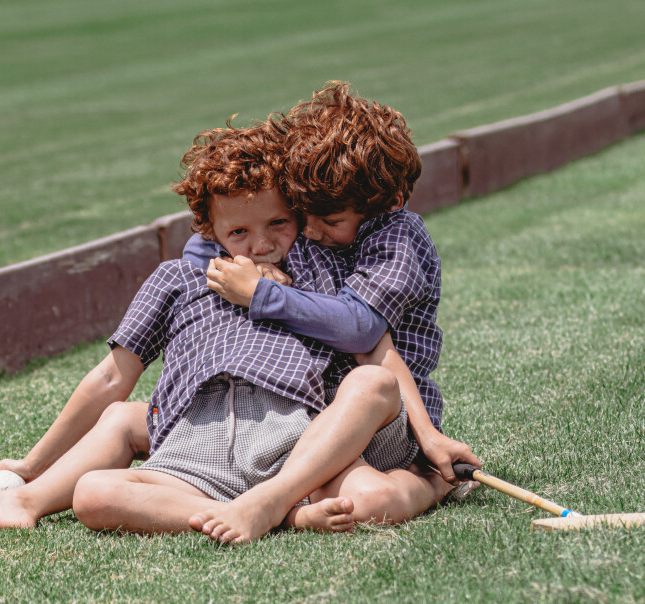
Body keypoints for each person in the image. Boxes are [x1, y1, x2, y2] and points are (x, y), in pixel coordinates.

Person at [0, 122, 421, 542]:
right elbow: (112, 377)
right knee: (93, 494)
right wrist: (32, 463)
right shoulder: (177, 280)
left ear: (299, 216)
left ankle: (274, 502)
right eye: (239, 232)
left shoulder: (318, 272)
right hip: (194, 449)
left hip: (292, 445)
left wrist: (426, 435)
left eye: (277, 224)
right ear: (210, 232)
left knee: (370, 496)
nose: (261, 245)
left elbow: (369, 342)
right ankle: (24, 503)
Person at [184, 81, 480, 538]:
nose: (311, 231)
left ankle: (430, 483)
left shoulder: (398, 238)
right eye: (302, 214)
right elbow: (202, 246)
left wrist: (261, 293)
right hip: (308, 413)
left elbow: (360, 330)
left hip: (388, 417)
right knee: (134, 425)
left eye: (332, 221)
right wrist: (248, 268)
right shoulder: (313, 220)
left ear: (389, 203)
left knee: (368, 503)